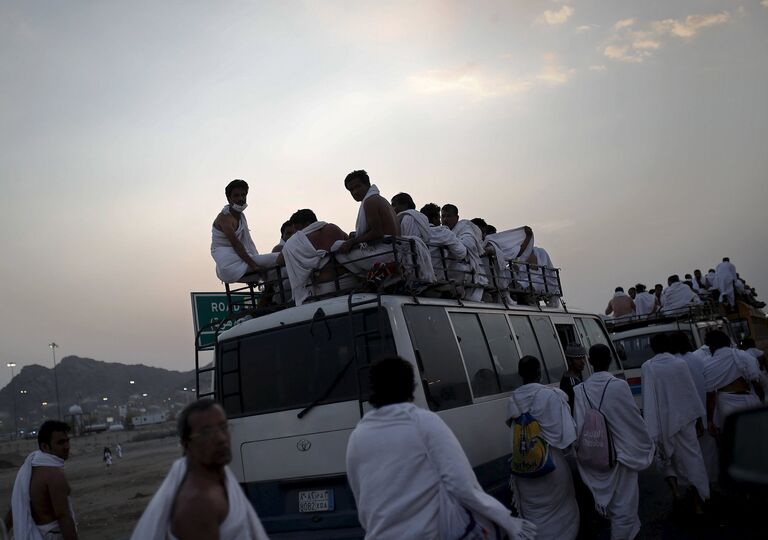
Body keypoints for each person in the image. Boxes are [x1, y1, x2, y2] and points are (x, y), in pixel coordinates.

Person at [346, 356, 536, 540]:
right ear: (411, 387)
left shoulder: (358, 435)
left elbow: (361, 497)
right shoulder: (423, 422)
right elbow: (461, 483)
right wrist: (505, 520)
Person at [130, 399, 268, 540]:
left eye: (223, 427)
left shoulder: (219, 476)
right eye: (207, 433)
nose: (221, 438)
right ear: (187, 445)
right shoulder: (198, 506)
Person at [573, 344, 654, 540]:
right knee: (624, 510)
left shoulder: (580, 390)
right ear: (610, 360)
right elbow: (632, 419)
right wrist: (646, 442)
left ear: (589, 361)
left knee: (614, 510)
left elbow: (578, 426)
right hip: (622, 455)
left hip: (595, 458)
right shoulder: (619, 386)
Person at [507, 356, 579, 540]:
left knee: (533, 517)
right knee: (562, 516)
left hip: (524, 471)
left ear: (520, 374)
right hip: (552, 467)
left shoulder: (513, 399)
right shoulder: (551, 395)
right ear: (540, 373)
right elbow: (567, 436)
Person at [641, 334, 709, 513]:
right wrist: (700, 421)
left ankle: (676, 492)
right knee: (693, 459)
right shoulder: (680, 364)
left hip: (663, 423)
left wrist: (651, 430)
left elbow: (649, 399)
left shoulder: (648, 367)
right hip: (686, 420)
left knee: (667, 460)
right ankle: (698, 501)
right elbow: (690, 393)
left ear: (652, 347)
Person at [6, 420, 78, 539]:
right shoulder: (54, 474)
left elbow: (17, 507)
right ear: (45, 446)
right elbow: (63, 516)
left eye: (67, 441)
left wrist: (4, 528)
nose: (67, 446)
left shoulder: (30, 468)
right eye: (60, 443)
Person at [670, 332, 718, 480]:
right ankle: (710, 486)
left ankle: (696, 489)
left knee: (688, 458)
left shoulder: (672, 364)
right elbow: (710, 389)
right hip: (705, 414)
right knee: (708, 454)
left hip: (685, 420)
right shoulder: (699, 360)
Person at [276, 209, 350, 305]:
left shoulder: (297, 240)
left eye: (297, 229)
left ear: (307, 224)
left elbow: (279, 261)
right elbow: (348, 242)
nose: (296, 233)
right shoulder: (333, 228)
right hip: (347, 280)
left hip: (324, 287)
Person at [211, 179, 278, 283]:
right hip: (230, 265)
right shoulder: (225, 218)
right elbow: (236, 244)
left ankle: (268, 296)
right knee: (281, 256)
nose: (241, 198)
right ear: (229, 199)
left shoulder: (241, 216)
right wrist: (254, 266)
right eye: (236, 195)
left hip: (243, 259)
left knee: (276, 271)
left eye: (243, 195)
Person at [703, 330, 764, 439]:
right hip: (749, 402)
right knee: (756, 437)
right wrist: (761, 403)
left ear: (711, 346)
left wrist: (710, 421)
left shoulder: (708, 365)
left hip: (726, 407)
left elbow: (711, 396)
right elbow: (756, 383)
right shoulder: (743, 356)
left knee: (736, 441)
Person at [441, 204, 489, 301]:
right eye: (443, 216)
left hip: (465, 270)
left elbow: (469, 245)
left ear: (457, 217)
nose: (445, 219)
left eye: (448, 216)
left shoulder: (465, 230)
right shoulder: (442, 231)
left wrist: (451, 243)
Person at [559, 343, 586, 411]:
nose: (583, 362)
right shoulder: (570, 382)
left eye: (583, 357)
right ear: (569, 361)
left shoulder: (577, 378)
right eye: (578, 358)